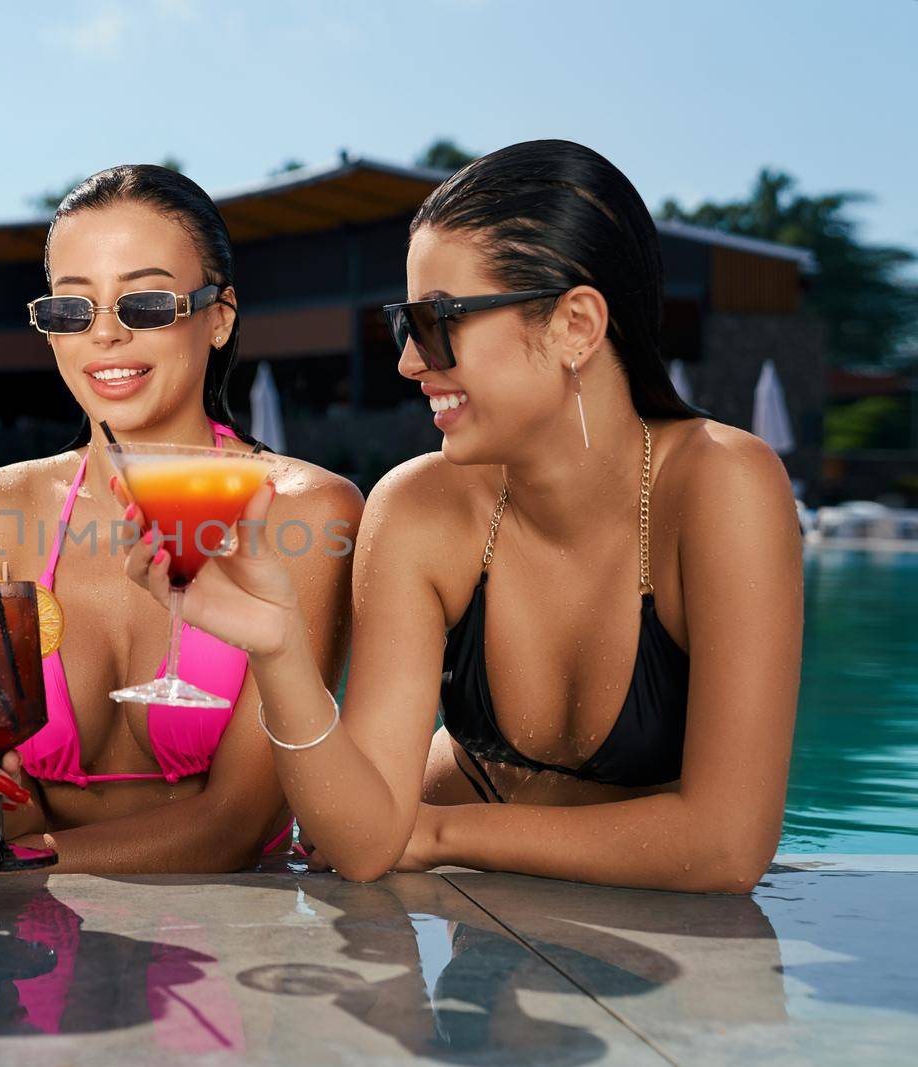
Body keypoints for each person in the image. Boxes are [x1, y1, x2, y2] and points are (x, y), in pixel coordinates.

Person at [119, 141, 802, 893]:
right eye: (402, 323)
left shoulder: (719, 486)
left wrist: (441, 830)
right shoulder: (418, 507)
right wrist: (277, 647)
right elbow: (363, 843)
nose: (411, 361)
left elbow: (727, 847)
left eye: (436, 321)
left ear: (576, 324)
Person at [0, 164, 362, 882]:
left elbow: (237, 823)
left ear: (220, 315)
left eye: (143, 303)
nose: (105, 337)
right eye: (73, 310)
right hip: (40, 939)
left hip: (230, 955)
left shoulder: (305, 511)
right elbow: (2, 811)